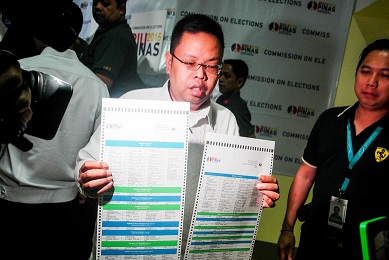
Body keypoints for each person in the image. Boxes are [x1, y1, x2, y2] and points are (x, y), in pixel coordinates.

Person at [76, 14, 280, 259]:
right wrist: (87, 175)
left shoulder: (226, 120)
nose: (201, 75)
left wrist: (257, 193)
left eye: (211, 65)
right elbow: (84, 165)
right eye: (190, 62)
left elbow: (230, 196)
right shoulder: (132, 104)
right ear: (170, 62)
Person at [0, 2, 109, 259]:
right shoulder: (97, 86)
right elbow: (95, 156)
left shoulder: (15, 72)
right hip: (66, 213)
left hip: (10, 208)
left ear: (37, 33)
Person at [277, 38, 389, 260]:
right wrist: (287, 228)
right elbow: (306, 175)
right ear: (357, 73)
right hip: (315, 240)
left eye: (385, 75)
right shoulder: (331, 119)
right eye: (366, 71)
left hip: (365, 251)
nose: (372, 82)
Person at [80, 0, 143, 98]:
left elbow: (99, 86)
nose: (98, 7)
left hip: (108, 109)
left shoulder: (115, 37)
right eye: (95, 2)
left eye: (105, 4)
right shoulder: (110, 32)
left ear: (121, 9)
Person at [216, 59, 255, 137]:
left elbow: (250, 139)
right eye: (220, 74)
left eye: (226, 76)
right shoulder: (221, 100)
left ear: (239, 82)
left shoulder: (238, 108)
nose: (221, 79)